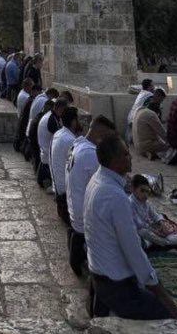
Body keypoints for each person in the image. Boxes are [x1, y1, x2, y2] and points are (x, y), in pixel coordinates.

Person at [83, 135, 177, 320]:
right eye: (126, 155)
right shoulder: (114, 195)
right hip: (114, 285)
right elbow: (132, 249)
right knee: (164, 314)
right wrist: (158, 289)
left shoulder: (98, 179)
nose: (131, 157)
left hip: (98, 271)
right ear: (115, 161)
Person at [66, 115, 116, 277]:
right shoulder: (91, 154)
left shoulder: (77, 144)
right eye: (108, 138)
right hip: (83, 217)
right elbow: (107, 184)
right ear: (100, 135)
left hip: (73, 207)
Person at [128, 174, 177, 249]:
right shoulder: (129, 203)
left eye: (147, 192)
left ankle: (153, 242)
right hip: (136, 232)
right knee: (143, 232)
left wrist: (162, 224)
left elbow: (155, 215)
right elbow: (139, 225)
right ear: (133, 189)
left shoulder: (144, 202)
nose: (145, 195)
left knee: (158, 227)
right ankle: (165, 243)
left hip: (148, 230)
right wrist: (156, 232)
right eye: (142, 191)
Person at [51, 106, 83, 225]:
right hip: (65, 196)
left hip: (58, 190)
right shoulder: (70, 140)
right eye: (77, 120)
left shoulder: (59, 134)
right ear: (74, 121)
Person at [125, 79, 154, 144]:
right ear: (149, 86)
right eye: (153, 85)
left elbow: (131, 88)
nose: (154, 87)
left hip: (131, 117)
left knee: (130, 140)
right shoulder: (150, 95)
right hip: (136, 119)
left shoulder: (142, 92)